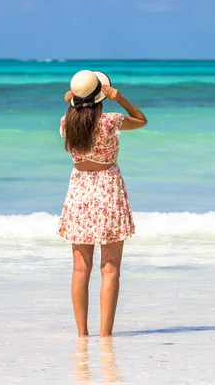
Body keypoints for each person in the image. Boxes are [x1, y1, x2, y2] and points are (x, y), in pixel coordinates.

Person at [57, 70, 147, 337]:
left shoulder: (66, 123)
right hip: (108, 189)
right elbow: (141, 120)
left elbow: (80, 116)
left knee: (79, 268)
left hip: (79, 191)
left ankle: (82, 334)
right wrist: (120, 98)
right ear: (101, 95)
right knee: (110, 268)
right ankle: (106, 335)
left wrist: (73, 102)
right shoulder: (111, 121)